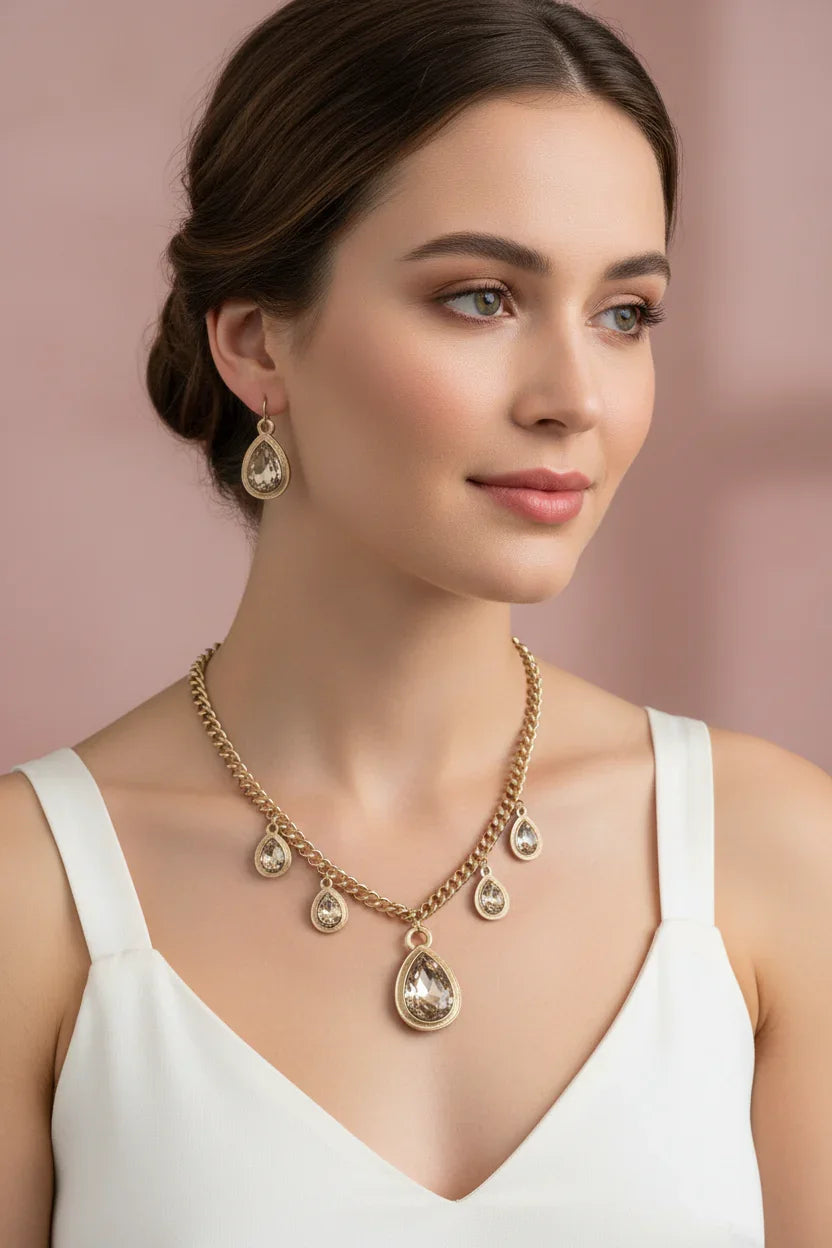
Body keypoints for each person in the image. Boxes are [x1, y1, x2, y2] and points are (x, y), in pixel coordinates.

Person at [2, 0, 830, 1243]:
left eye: (625, 314)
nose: (573, 399)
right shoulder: (30, 899)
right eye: (481, 297)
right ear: (254, 342)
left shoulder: (769, 856)